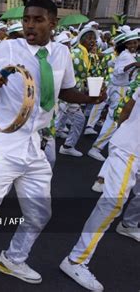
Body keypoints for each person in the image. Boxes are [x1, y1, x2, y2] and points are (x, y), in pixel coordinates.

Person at [0, 0, 106, 292]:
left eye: (38, 20)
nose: (29, 25)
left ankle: (13, 258)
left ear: (53, 23)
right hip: (1, 146)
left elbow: (65, 91)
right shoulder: (9, 48)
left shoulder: (61, 54)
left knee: (40, 213)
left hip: (34, 145)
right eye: (27, 19)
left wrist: (89, 99)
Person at [60, 86, 139, 291]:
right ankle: (75, 260)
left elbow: (129, 106)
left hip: (129, 146)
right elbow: (128, 107)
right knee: (112, 203)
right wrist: (124, 135)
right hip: (130, 150)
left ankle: (129, 225)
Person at [88, 31, 139, 161]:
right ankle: (96, 148)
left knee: (115, 120)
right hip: (120, 90)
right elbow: (118, 70)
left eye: (136, 42)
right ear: (126, 44)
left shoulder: (125, 54)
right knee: (114, 120)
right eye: (131, 43)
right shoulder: (127, 56)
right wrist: (134, 65)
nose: (134, 44)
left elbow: (112, 64)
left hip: (118, 88)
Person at [56, 27, 97, 157]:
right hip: (69, 93)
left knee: (59, 117)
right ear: (82, 40)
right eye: (89, 38)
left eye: (94, 38)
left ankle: (54, 134)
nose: (93, 41)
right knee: (79, 120)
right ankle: (67, 146)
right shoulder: (77, 53)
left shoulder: (85, 53)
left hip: (71, 93)